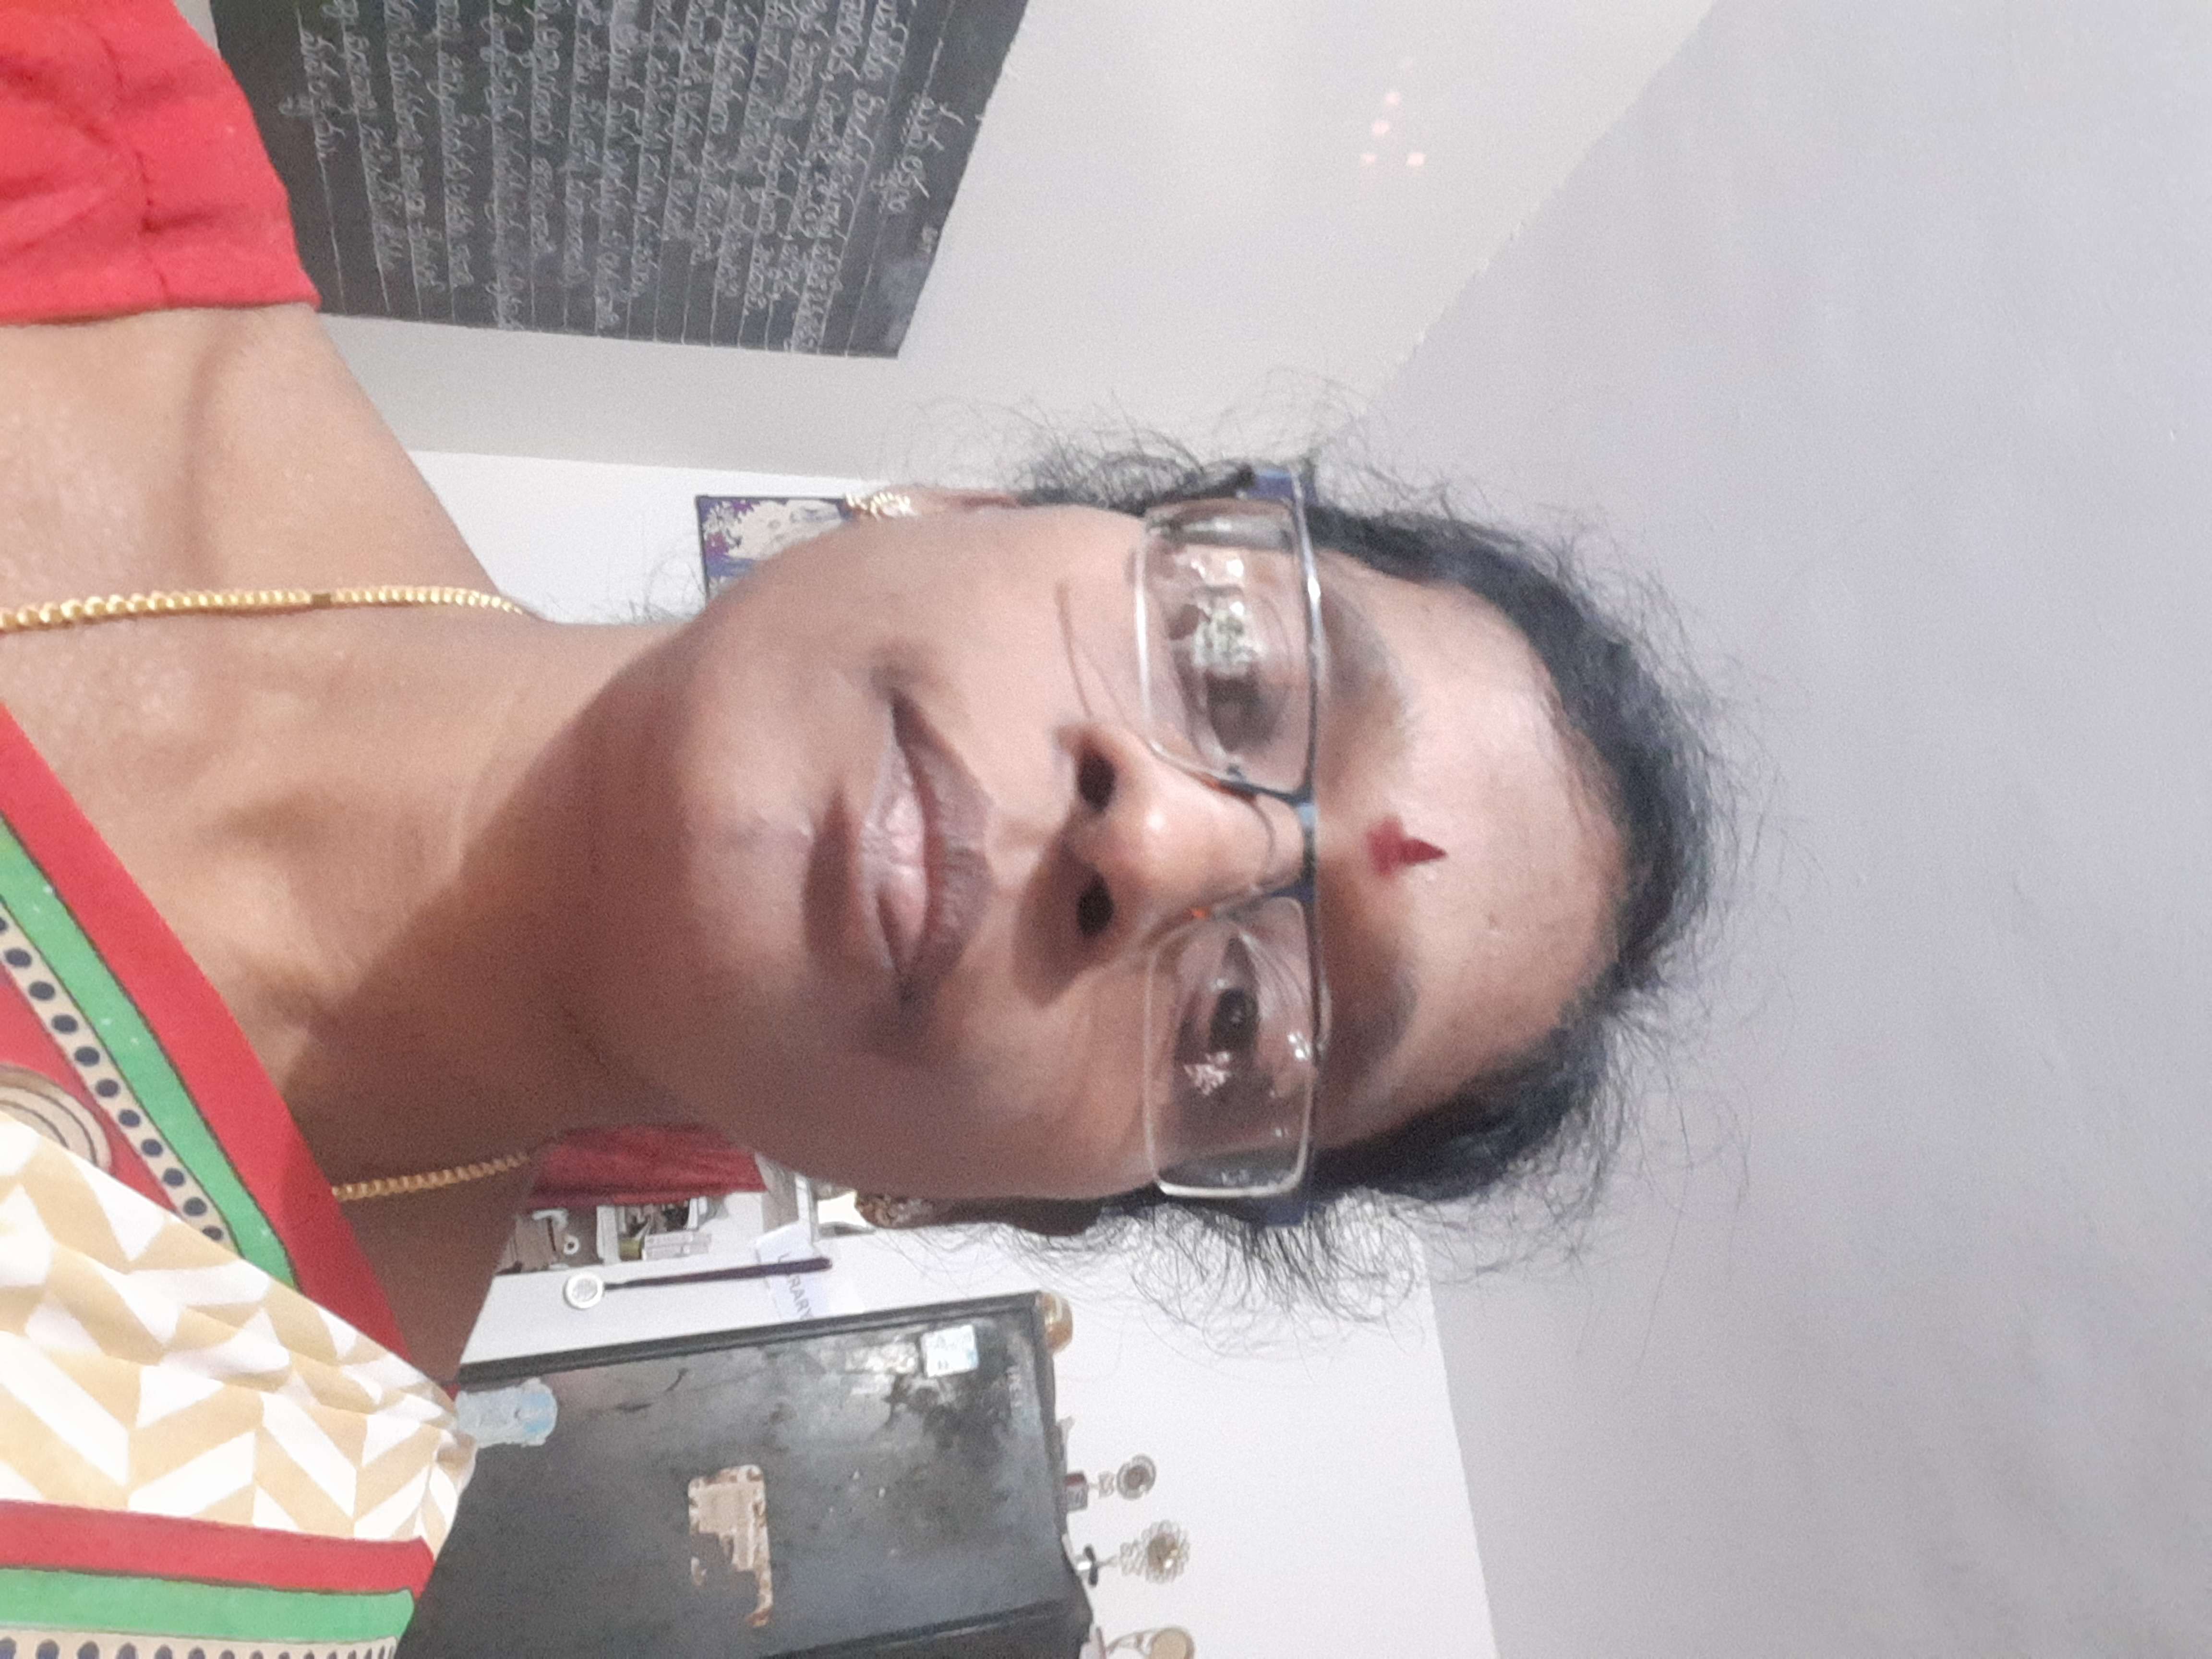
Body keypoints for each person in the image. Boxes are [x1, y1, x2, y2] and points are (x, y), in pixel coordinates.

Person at [0, 0, 1712, 1651]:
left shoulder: (202, 1533)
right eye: (1232, 667)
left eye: (1244, 1026)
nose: (1161, 846)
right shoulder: (67, 115)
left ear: (984, 1201)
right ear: (968, 509)